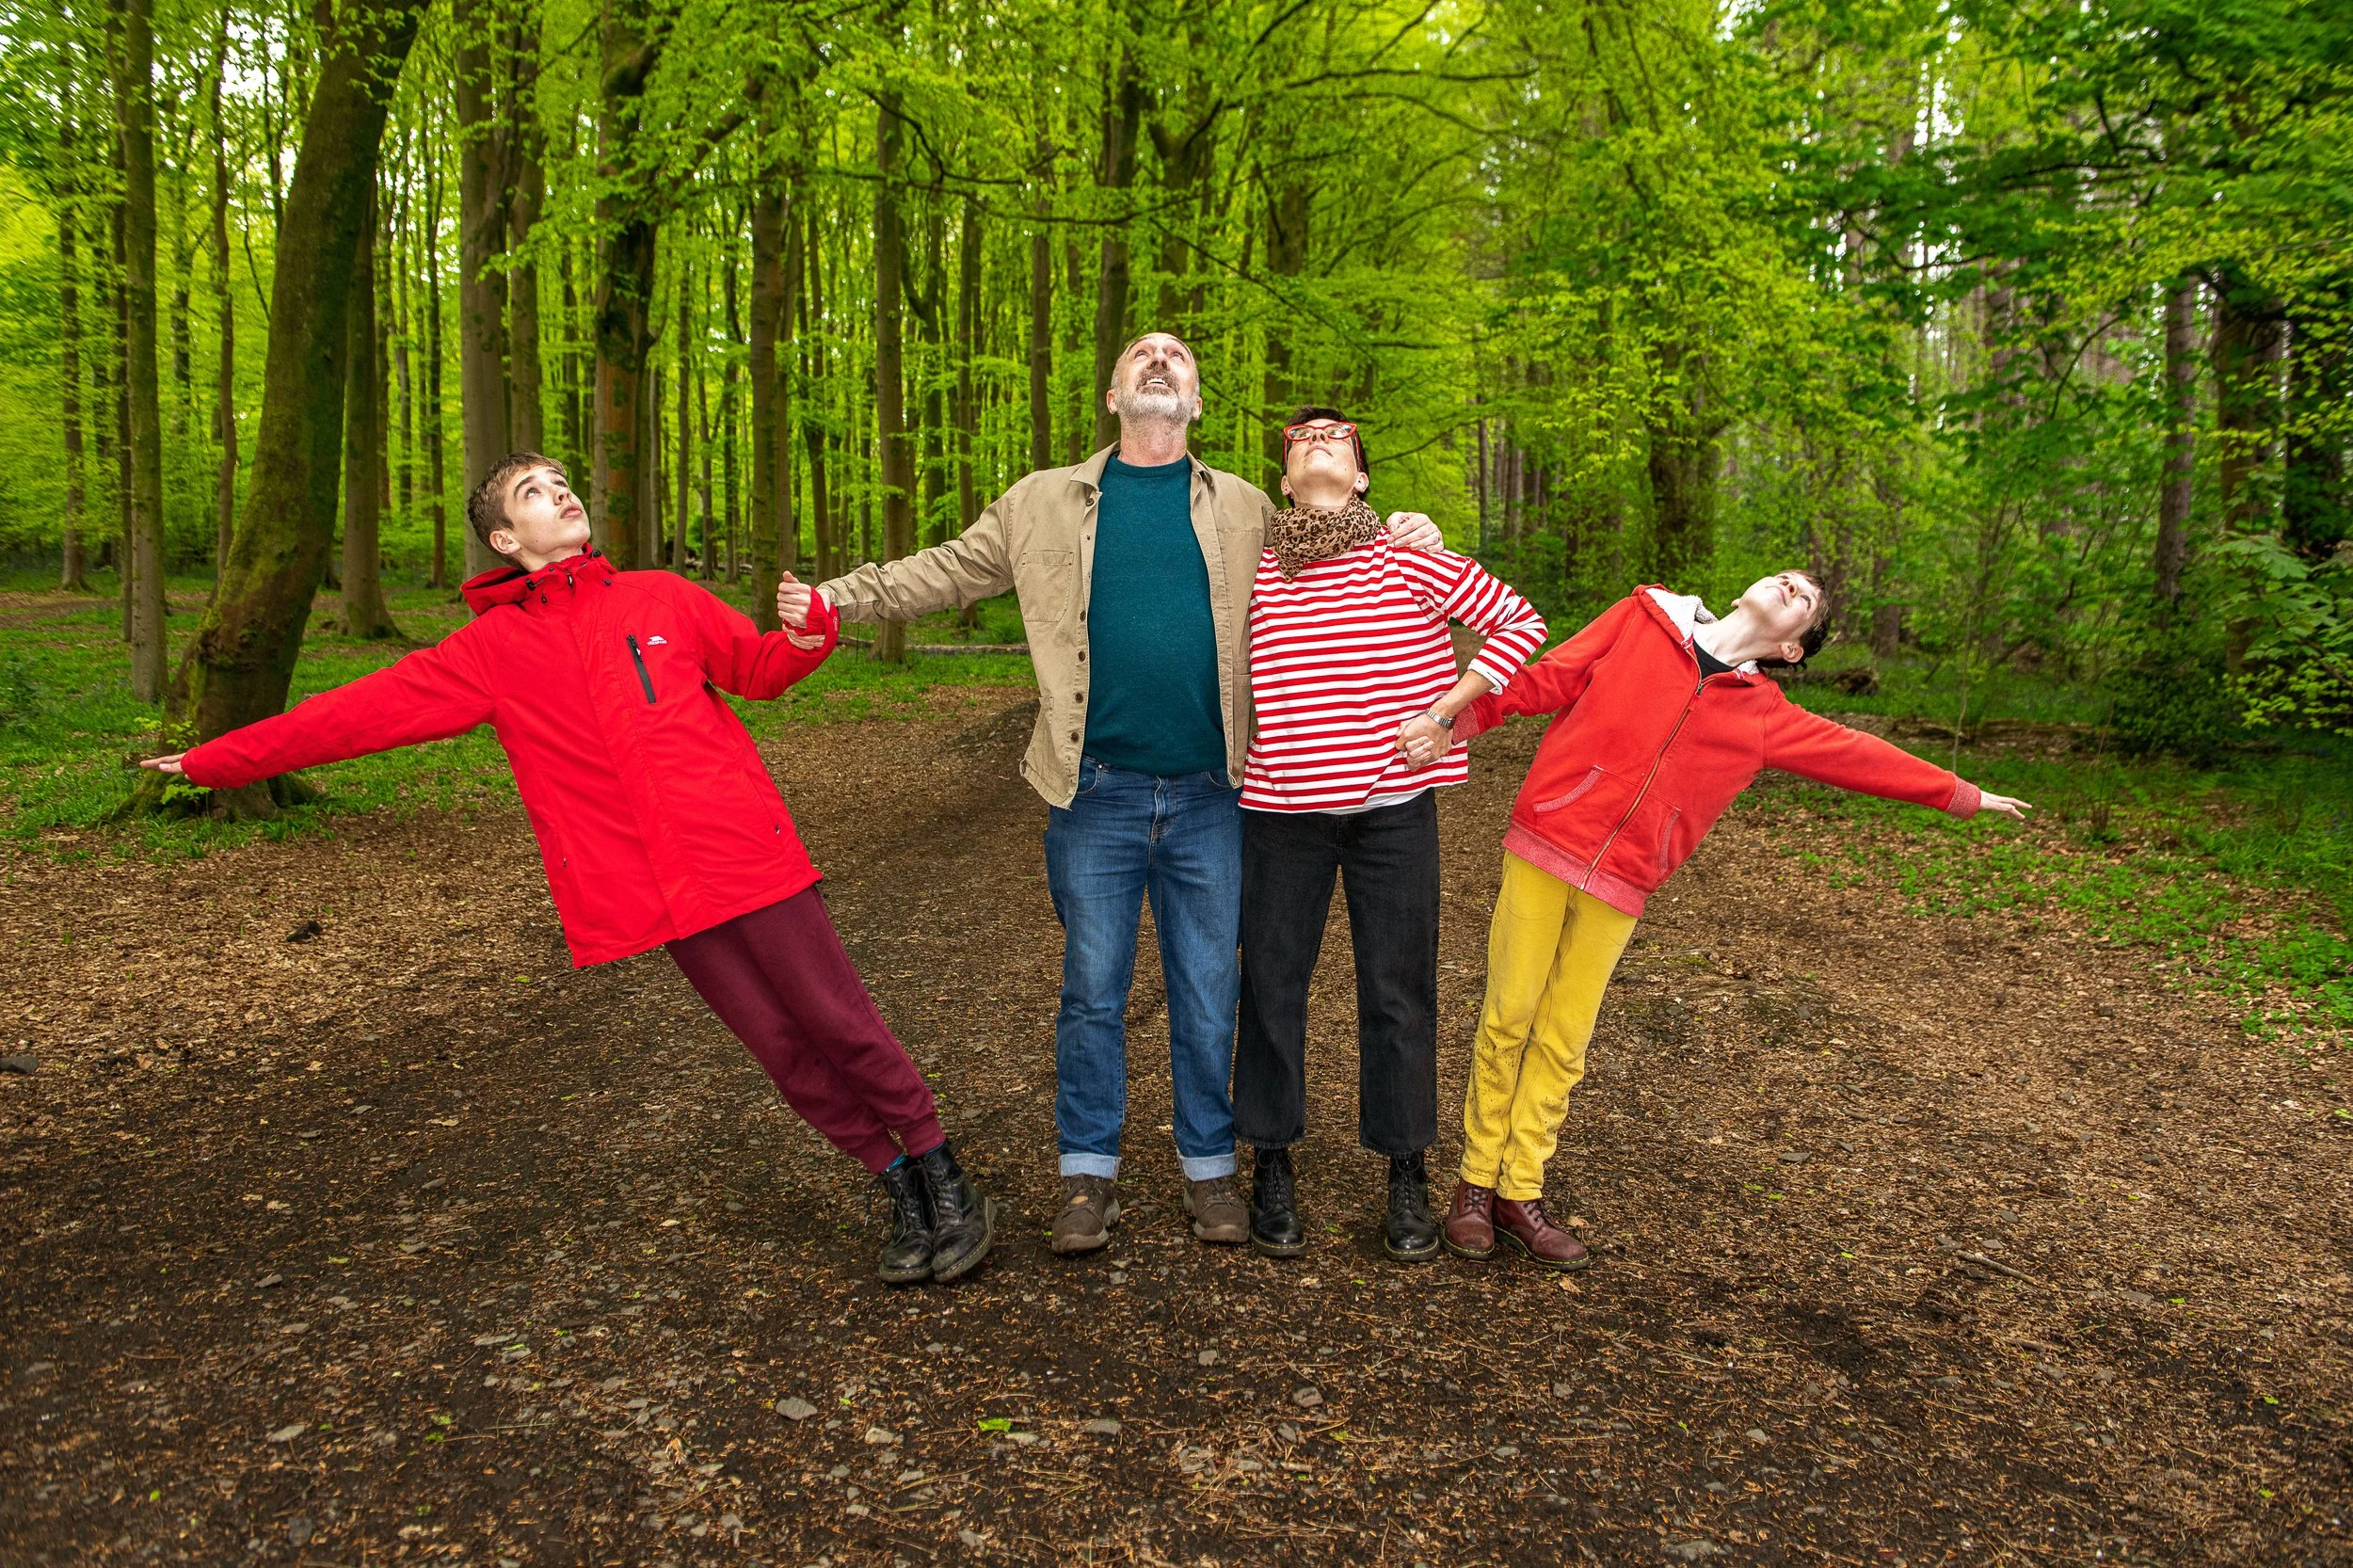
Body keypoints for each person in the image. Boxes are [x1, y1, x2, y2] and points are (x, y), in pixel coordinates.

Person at [139, 455, 996, 1288]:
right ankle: (896, 1184)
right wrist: (219, 760)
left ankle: (942, 1171)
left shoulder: (661, 596)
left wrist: (809, 631)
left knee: (836, 1021)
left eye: (562, 484)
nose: (562, 495)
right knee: (779, 1048)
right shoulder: (487, 652)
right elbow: (358, 713)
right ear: (506, 539)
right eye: (534, 493)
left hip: (744, 853)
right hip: (652, 889)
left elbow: (760, 670)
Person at [786, 332, 1443, 1256]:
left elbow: (1347, 553)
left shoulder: (1250, 507)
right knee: (1093, 990)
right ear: (1111, 392)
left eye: (1177, 355)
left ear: (1199, 404)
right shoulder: (1041, 501)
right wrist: (835, 600)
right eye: (1142, 353)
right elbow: (944, 568)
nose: (1161, 360)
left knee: (1210, 989)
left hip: (1216, 795)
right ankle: (1087, 1172)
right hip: (1092, 790)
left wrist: (1413, 527)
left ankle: (1211, 1170)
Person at [1404, 575, 2032, 1271]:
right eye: (1787, 578)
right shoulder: (1642, 616)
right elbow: (1550, 679)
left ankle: (1520, 1191)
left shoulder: (1765, 715)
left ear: (1793, 649)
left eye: (1805, 600)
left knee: (1563, 1040)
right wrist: (1453, 720)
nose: (1790, 586)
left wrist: (1959, 794)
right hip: (1547, 838)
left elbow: (1859, 756)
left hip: (1624, 879)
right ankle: (1474, 1183)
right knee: (1509, 1015)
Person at [1233, 408, 1545, 1263]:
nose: (1319, 440)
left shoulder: (1410, 555)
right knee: (1270, 989)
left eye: (1338, 435)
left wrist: (1447, 711)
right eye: (1301, 439)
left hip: (1394, 810)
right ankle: (1271, 1161)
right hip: (1278, 811)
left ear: (1364, 477)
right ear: (1285, 482)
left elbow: (1520, 623)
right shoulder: (1253, 562)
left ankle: (1405, 1171)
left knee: (1398, 992)